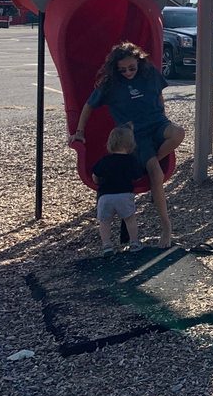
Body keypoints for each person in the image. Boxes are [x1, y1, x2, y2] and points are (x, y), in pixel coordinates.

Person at [69, 41, 184, 248]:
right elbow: (88, 106)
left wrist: (163, 115)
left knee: (179, 133)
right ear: (116, 69)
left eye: (132, 68)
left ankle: (147, 162)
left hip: (157, 122)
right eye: (123, 70)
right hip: (136, 135)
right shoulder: (111, 85)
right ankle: (166, 227)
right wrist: (79, 132)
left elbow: (159, 95)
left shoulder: (149, 74)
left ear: (139, 62)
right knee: (156, 175)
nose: (128, 72)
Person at [92, 125, 147, 255]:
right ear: (130, 145)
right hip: (124, 195)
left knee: (105, 222)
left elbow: (95, 176)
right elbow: (138, 176)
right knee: (129, 219)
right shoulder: (131, 161)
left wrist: (97, 182)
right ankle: (134, 242)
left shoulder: (105, 160)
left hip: (105, 197)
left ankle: (107, 246)